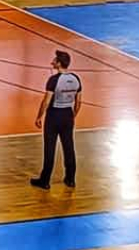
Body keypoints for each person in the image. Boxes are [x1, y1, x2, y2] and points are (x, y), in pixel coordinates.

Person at [31, 50, 82, 190]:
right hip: (68, 114)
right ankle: (70, 179)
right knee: (69, 147)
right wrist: (73, 115)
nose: (52, 62)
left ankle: (45, 181)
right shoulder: (76, 79)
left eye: (54, 60)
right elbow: (79, 101)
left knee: (50, 148)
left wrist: (39, 116)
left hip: (54, 115)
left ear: (59, 63)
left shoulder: (54, 80)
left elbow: (46, 101)